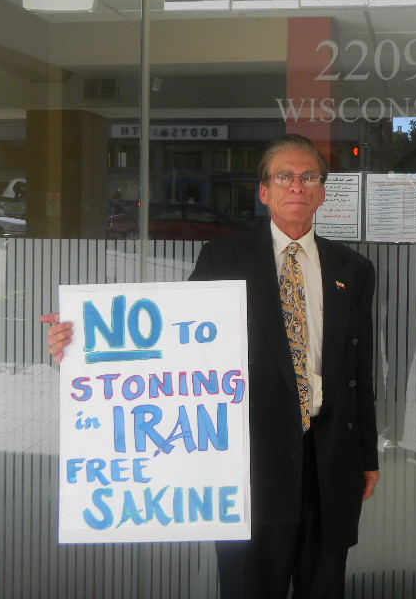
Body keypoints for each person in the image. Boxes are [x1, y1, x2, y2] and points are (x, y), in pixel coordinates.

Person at [44, 134, 380, 598]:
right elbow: (178, 345)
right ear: (264, 191)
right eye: (284, 176)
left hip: (330, 463)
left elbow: (359, 372)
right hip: (249, 462)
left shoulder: (354, 269)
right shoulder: (225, 257)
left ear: (323, 191)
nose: (297, 186)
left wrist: (366, 455)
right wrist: (82, 349)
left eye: (308, 177)